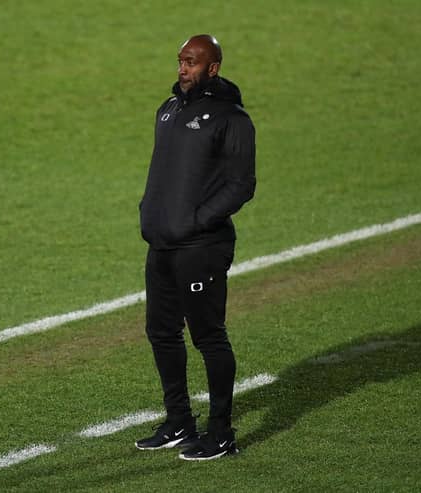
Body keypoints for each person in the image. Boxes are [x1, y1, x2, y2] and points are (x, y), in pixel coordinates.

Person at [135, 34, 256, 461]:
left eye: (192, 62)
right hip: (162, 244)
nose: (183, 69)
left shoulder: (231, 118)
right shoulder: (167, 111)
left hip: (202, 246)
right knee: (161, 332)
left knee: (208, 337)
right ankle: (179, 421)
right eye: (180, 61)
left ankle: (221, 431)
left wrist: (195, 221)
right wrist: (150, 211)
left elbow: (242, 186)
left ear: (213, 67)